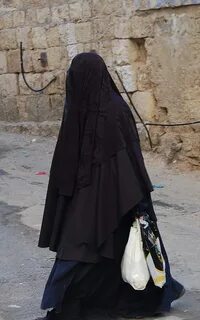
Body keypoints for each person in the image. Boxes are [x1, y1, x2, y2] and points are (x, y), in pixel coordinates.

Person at [37, 52, 184, 320]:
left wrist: (133, 201)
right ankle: (70, 304)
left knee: (87, 247)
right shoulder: (82, 108)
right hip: (91, 193)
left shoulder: (115, 110)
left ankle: (74, 304)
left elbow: (128, 157)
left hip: (119, 196)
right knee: (87, 248)